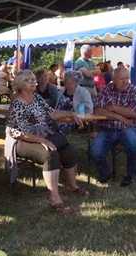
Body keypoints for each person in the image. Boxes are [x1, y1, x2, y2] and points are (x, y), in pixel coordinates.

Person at [6, 70, 88, 213]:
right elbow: (19, 132)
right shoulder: (17, 103)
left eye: (33, 79)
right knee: (50, 153)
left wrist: (71, 114)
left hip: (41, 137)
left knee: (68, 150)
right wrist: (43, 140)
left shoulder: (36, 98)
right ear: (20, 84)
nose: (33, 82)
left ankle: (72, 185)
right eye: (28, 80)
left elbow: (52, 113)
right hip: (21, 140)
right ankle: (54, 197)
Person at [91, 67, 136, 186]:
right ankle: (105, 172)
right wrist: (120, 117)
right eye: (122, 79)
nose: (126, 81)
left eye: (127, 78)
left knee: (133, 145)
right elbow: (97, 110)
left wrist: (113, 108)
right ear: (114, 79)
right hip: (107, 128)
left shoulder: (133, 90)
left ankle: (130, 175)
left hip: (128, 127)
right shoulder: (107, 89)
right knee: (95, 151)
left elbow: (135, 113)